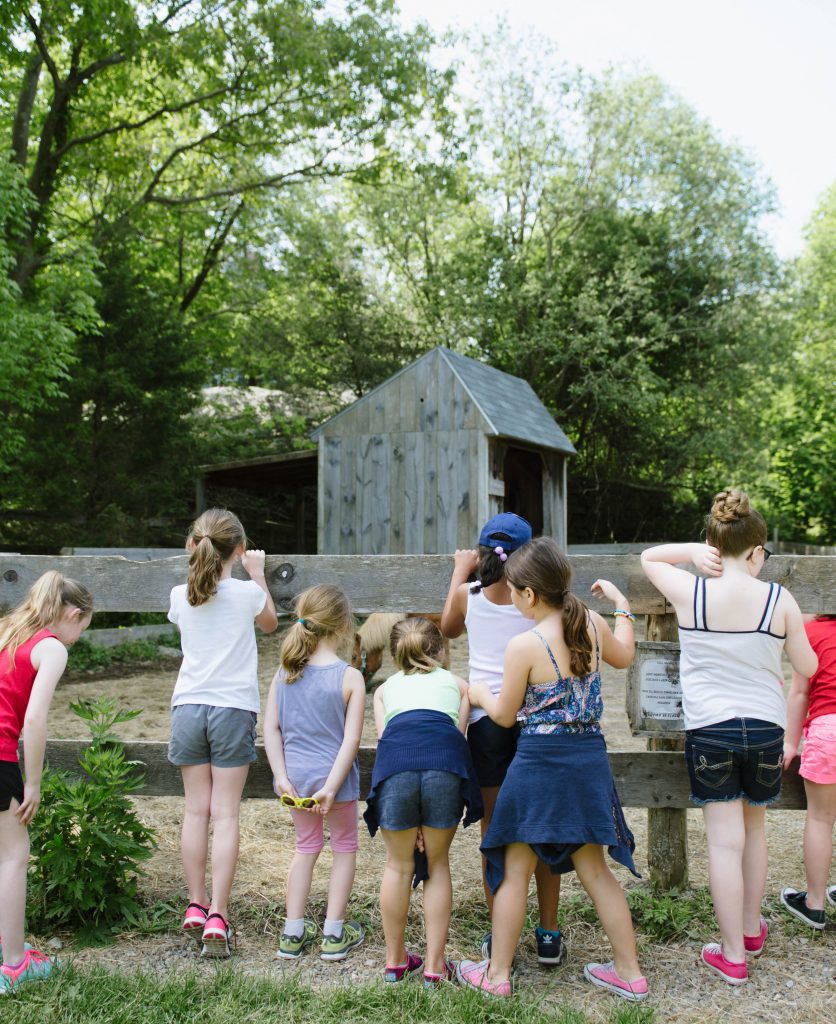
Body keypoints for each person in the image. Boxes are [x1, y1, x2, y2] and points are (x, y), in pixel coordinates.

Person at [458, 537, 646, 1002]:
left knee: (516, 867)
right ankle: (629, 972)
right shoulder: (593, 623)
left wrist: (477, 693)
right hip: (587, 761)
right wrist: (623, 605)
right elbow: (625, 654)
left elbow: (504, 715)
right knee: (597, 871)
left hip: (538, 766)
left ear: (529, 595)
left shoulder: (525, 644)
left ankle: (497, 974)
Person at [641, 489, 817, 985]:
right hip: (764, 728)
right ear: (758, 551)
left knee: (724, 842)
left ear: (713, 544)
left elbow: (648, 557)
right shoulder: (779, 599)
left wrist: (692, 555)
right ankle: (751, 930)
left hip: (711, 729)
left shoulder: (690, 591)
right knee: (754, 831)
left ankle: (733, 955)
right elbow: (808, 666)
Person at [440, 513, 564, 967]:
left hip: (486, 724)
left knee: (495, 829)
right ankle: (548, 932)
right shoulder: (535, 602)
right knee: (545, 825)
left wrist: (460, 572)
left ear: (481, 552)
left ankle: (499, 936)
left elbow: (448, 628)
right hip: (535, 721)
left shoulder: (469, 596)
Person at [167, 508, 278, 957]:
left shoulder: (180, 594)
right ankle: (219, 912)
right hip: (232, 709)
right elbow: (270, 622)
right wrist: (259, 575)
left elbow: (195, 601)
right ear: (241, 549)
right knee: (225, 814)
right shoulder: (248, 594)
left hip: (188, 706)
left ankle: (194, 905)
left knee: (196, 812)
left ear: (194, 545)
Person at [363, 617, 482, 989]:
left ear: (395, 654)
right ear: (442, 651)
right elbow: (457, 735)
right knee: (436, 863)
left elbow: (387, 739)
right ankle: (434, 966)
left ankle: (395, 963)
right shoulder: (458, 685)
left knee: (398, 866)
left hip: (396, 768)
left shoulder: (384, 691)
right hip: (444, 766)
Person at [0, 571, 93, 994]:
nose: (76, 638)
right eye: (81, 628)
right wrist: (32, 783)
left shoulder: (9, 630)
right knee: (14, 856)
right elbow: (34, 719)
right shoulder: (51, 647)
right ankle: (15, 965)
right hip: (1, 754)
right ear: (72, 614)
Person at [264, 585, 366, 962]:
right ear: (342, 626)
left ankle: (292, 932)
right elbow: (351, 741)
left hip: (296, 782)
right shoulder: (350, 677)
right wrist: (332, 787)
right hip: (333, 783)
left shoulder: (284, 673)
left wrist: (281, 777)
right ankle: (334, 933)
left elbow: (270, 729)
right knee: (343, 849)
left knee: (305, 849)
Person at [781, 614, 836, 928]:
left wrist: (791, 742)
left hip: (828, 730)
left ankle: (814, 902)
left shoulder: (811, 631)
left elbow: (800, 692)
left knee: (820, 818)